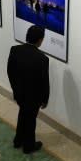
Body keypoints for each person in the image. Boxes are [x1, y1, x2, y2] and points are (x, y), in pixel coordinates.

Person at [7, 25, 50, 154]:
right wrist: (45, 99)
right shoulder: (42, 59)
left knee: (23, 115)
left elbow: (10, 72)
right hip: (33, 97)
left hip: (19, 93)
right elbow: (44, 81)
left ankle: (18, 140)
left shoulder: (15, 50)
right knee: (30, 120)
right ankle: (28, 146)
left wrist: (15, 89)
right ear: (40, 40)